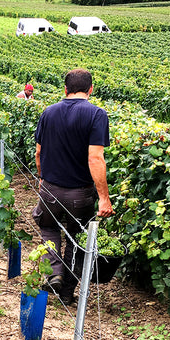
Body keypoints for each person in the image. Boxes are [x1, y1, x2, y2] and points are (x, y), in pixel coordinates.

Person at [32, 68, 113, 304]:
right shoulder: (97, 114)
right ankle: (67, 292)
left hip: (51, 189)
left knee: (48, 227)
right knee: (77, 239)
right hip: (81, 194)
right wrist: (104, 197)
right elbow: (95, 159)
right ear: (91, 89)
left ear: (65, 89)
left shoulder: (48, 112)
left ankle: (54, 273)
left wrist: (41, 178)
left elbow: (38, 152)